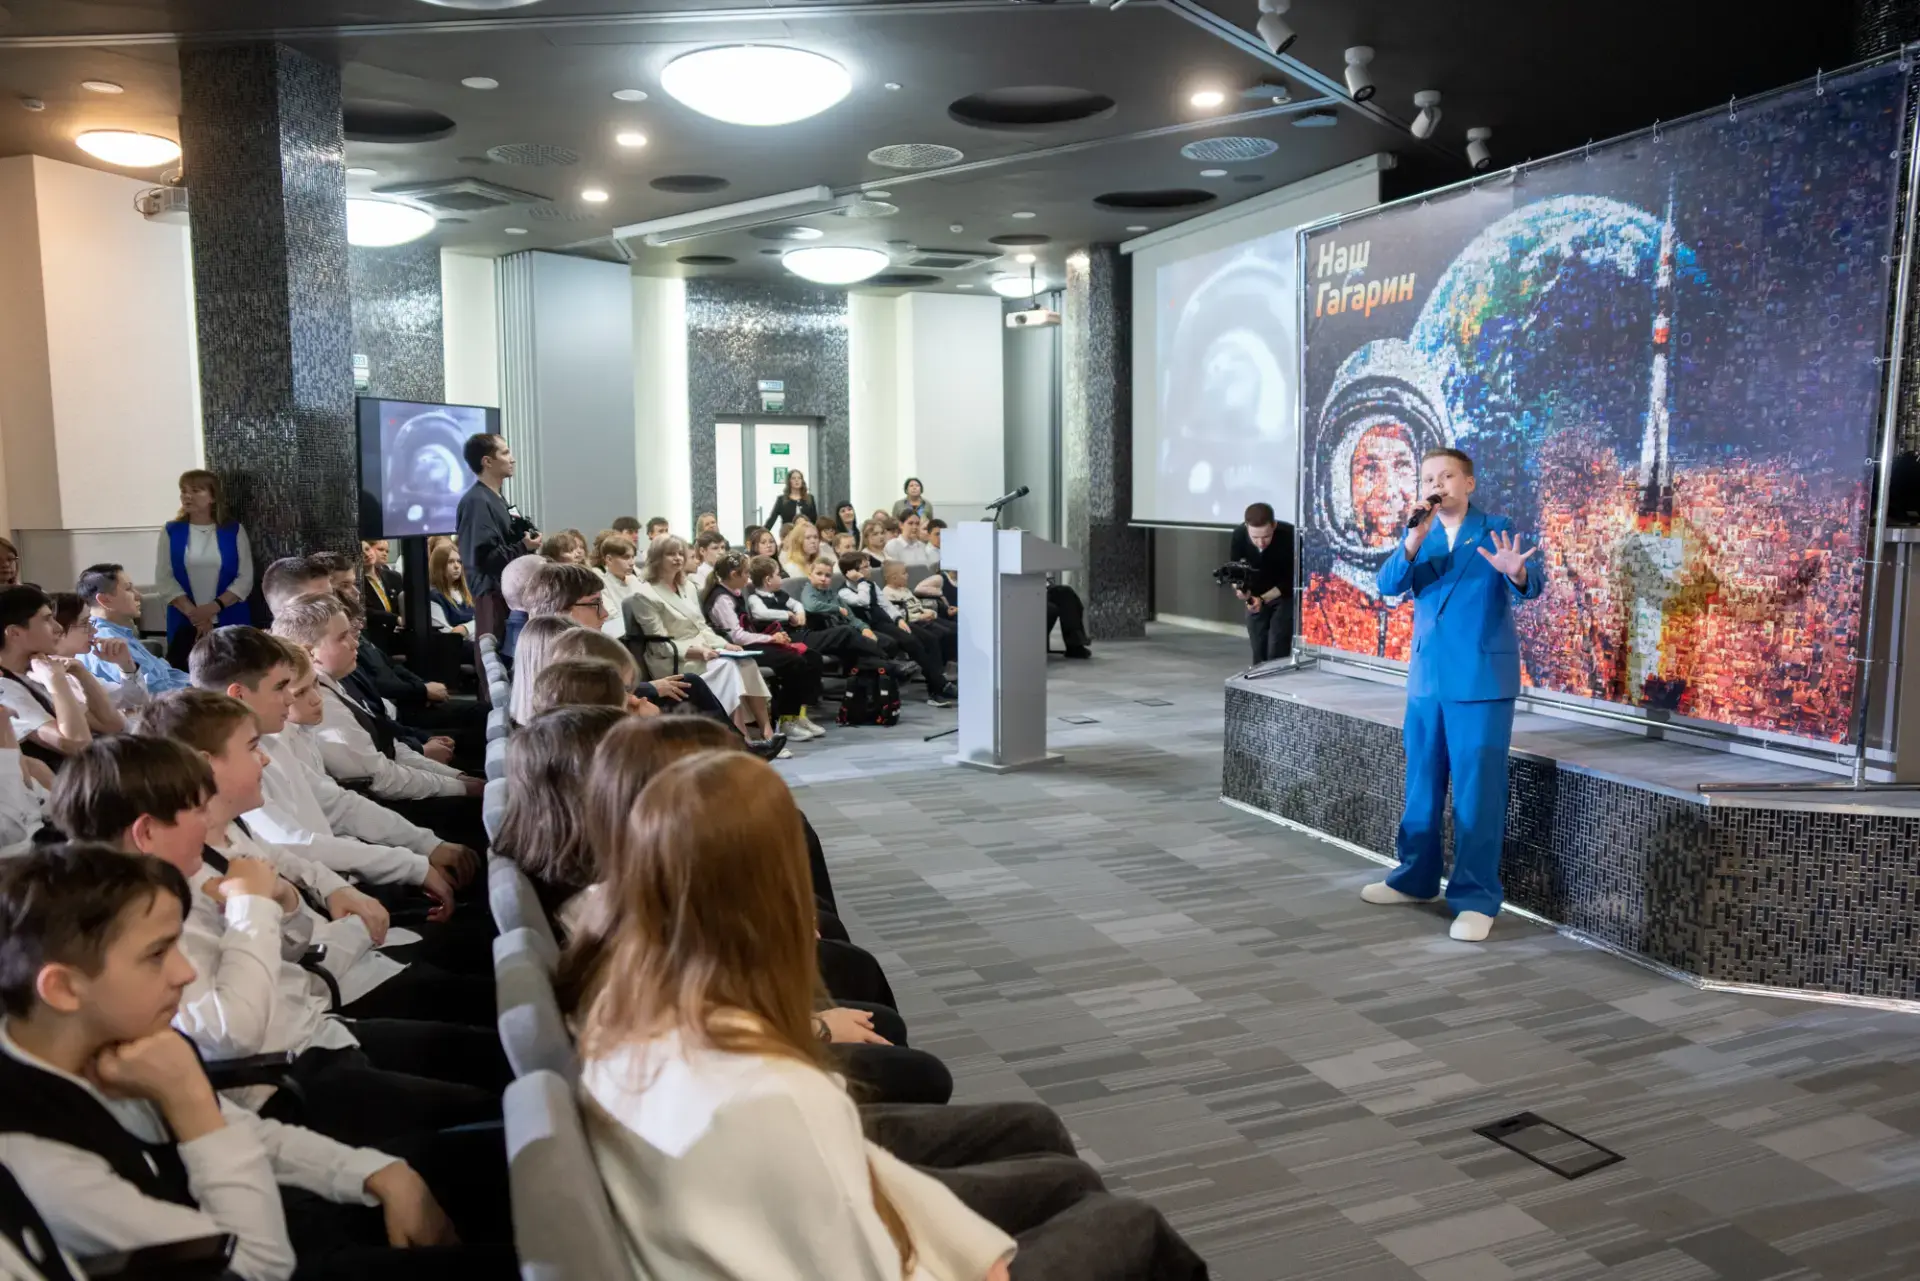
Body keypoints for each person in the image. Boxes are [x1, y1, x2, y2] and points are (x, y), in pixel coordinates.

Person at [569, 749, 1207, 1280]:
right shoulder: (771, 1093)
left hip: (831, 1218)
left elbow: (855, 1186)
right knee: (1132, 1225)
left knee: (1057, 1164)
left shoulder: (628, 1006)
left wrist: (970, 1244)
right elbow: (868, 1259)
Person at [0, 844, 514, 1281]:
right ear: (63, 988)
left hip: (267, 1205)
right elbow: (256, 1269)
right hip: (260, 1252)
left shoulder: (119, 1039)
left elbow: (249, 1135)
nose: (184, 973)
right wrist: (193, 1104)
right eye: (157, 955)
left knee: (494, 1158)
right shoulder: (37, 1159)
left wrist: (377, 1172)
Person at [1365, 448, 1542, 943]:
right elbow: (1387, 586)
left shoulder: (1496, 528)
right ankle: (1414, 879)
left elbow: (1533, 584)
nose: (1436, 485)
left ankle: (1476, 898)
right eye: (1428, 478)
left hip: (1481, 681)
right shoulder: (1419, 534)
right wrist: (1411, 541)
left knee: (1478, 793)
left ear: (1468, 483)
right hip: (1427, 680)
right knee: (1421, 784)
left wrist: (1516, 572)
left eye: (1446, 476)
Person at [629, 537, 785, 752]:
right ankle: (741, 739)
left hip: (704, 649)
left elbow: (701, 627)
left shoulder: (688, 586)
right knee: (728, 666)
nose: (677, 558)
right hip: (673, 658)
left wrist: (724, 645)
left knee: (745, 661)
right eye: (670, 554)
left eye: (680, 553)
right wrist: (698, 652)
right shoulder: (645, 594)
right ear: (657, 558)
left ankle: (765, 730)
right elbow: (659, 645)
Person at [702, 553, 825, 741]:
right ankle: (786, 719)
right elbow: (737, 636)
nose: (749, 578)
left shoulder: (734, 592)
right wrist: (771, 639)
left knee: (811, 656)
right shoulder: (721, 599)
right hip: (737, 649)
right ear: (734, 575)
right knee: (794, 661)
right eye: (746, 573)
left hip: (751, 643)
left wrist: (773, 637)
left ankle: (799, 715)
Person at [0, 587, 113, 766]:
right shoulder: (5, 688)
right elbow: (80, 745)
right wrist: (56, 681)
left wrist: (81, 673)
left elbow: (112, 725)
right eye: (46, 619)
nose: (58, 627)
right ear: (14, 633)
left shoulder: (38, 669)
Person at [155, 470, 254, 671]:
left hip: (229, 616)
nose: (187, 496)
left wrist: (213, 608)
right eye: (184, 491)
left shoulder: (233, 530)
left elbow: (245, 578)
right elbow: (164, 578)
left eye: (195, 491)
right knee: (187, 675)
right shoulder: (171, 531)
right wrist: (196, 616)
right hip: (185, 621)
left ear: (213, 497)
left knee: (234, 673)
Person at [453, 432, 540, 645]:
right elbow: (483, 558)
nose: (512, 459)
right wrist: (523, 546)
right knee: (495, 654)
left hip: (508, 595)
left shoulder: (496, 498)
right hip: (492, 596)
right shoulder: (476, 502)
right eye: (505, 453)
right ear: (487, 461)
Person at [839, 556, 953, 704]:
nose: (870, 569)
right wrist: (861, 581)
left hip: (887, 621)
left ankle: (937, 684)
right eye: (865, 567)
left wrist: (898, 619)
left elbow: (886, 605)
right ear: (851, 572)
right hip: (871, 626)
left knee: (930, 638)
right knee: (912, 642)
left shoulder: (871, 584)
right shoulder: (844, 591)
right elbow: (863, 601)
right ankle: (939, 687)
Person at [75, 563, 192, 695]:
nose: (138, 595)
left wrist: (199, 686)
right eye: (128, 589)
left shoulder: (120, 633)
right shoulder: (107, 642)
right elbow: (152, 693)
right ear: (104, 599)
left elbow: (168, 675)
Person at [1229, 501, 1296, 666]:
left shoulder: (1289, 535)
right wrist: (1241, 590)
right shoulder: (1239, 535)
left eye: (1266, 537)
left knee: (1277, 645)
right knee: (1258, 647)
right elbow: (1235, 570)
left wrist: (1264, 599)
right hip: (1255, 595)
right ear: (1246, 527)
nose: (1261, 543)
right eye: (1255, 538)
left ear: (1274, 525)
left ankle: (1277, 679)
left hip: (1283, 594)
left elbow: (1293, 577)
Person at [592, 532, 644, 639]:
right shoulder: (600, 585)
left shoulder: (635, 580)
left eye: (633, 557)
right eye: (626, 557)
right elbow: (611, 617)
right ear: (609, 559)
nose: (632, 563)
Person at [426, 543, 474, 636]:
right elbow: (449, 636)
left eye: (459, 561)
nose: (457, 566)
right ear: (439, 566)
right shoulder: (434, 597)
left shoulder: (466, 592)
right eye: (451, 562)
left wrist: (465, 629)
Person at [361, 540, 403, 617]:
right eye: (380, 549)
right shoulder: (356, 581)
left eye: (367, 549)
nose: (367, 554)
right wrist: (394, 619)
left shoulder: (393, 576)